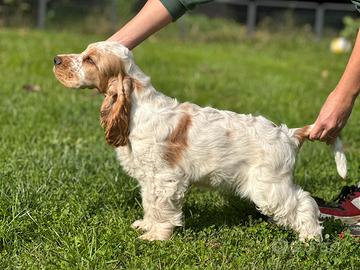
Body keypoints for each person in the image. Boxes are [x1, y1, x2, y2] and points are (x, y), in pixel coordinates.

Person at [108, 0, 360, 222]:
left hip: (262, 148)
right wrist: (107, 51)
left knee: (272, 197)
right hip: (261, 140)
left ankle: (306, 216)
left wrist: (345, 93)